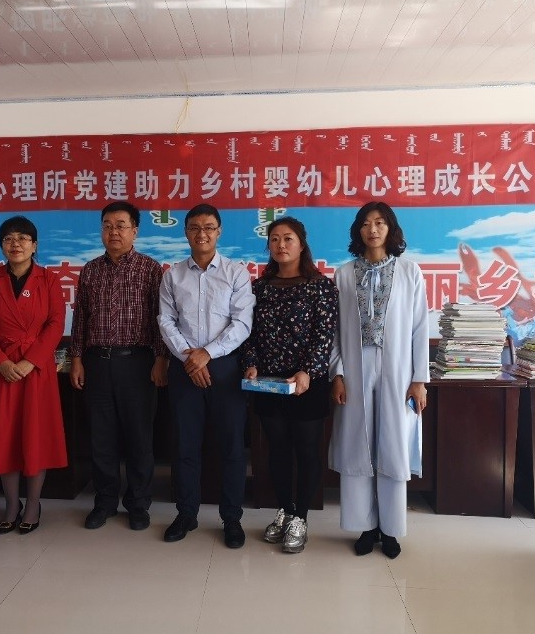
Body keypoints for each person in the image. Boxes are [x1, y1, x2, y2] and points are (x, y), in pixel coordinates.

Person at [328, 201, 429, 559]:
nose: (372, 229)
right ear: (358, 230)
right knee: (359, 443)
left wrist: (419, 379)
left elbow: (420, 327)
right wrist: (337, 373)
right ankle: (365, 526)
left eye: (380, 223)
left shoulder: (409, 271)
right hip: (355, 363)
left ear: (391, 229)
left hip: (398, 366)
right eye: (366, 223)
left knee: (392, 443)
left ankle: (391, 529)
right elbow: (335, 332)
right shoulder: (343, 274)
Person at [158, 204, 254, 548]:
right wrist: (190, 357)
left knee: (231, 447)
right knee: (185, 446)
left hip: (225, 367)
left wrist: (207, 354)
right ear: (186, 232)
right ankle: (186, 513)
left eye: (209, 227)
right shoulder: (172, 276)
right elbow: (165, 320)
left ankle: (232, 518)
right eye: (195, 227)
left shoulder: (236, 273)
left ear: (219, 231)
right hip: (184, 367)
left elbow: (241, 323)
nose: (202, 234)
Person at [69, 202, 169, 532]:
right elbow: (81, 318)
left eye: (121, 225)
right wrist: (77, 358)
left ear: (135, 231)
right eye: (107, 225)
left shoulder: (150, 269)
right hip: (97, 362)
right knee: (102, 438)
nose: (114, 231)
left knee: (139, 437)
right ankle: (105, 501)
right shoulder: (90, 270)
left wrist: (160, 359)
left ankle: (138, 503)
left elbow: (161, 319)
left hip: (138, 363)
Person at [240, 217, 338, 553]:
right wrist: (251, 362)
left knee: (307, 451)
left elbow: (324, 334)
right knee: (277, 449)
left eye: (288, 238)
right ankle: (284, 510)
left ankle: (301, 518)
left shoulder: (320, 286)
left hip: (307, 383)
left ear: (301, 243)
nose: (281, 245)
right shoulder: (259, 287)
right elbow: (248, 332)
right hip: (269, 384)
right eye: (275, 239)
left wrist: (307, 371)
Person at [0, 216, 67, 534]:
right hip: (1, 369)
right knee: (5, 438)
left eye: (23, 238)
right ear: (1, 245)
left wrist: (31, 361)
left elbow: (56, 323)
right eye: (9, 239)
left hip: (34, 370)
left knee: (34, 436)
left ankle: (33, 504)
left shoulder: (49, 279)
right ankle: (11, 505)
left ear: (34, 245)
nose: (16, 244)